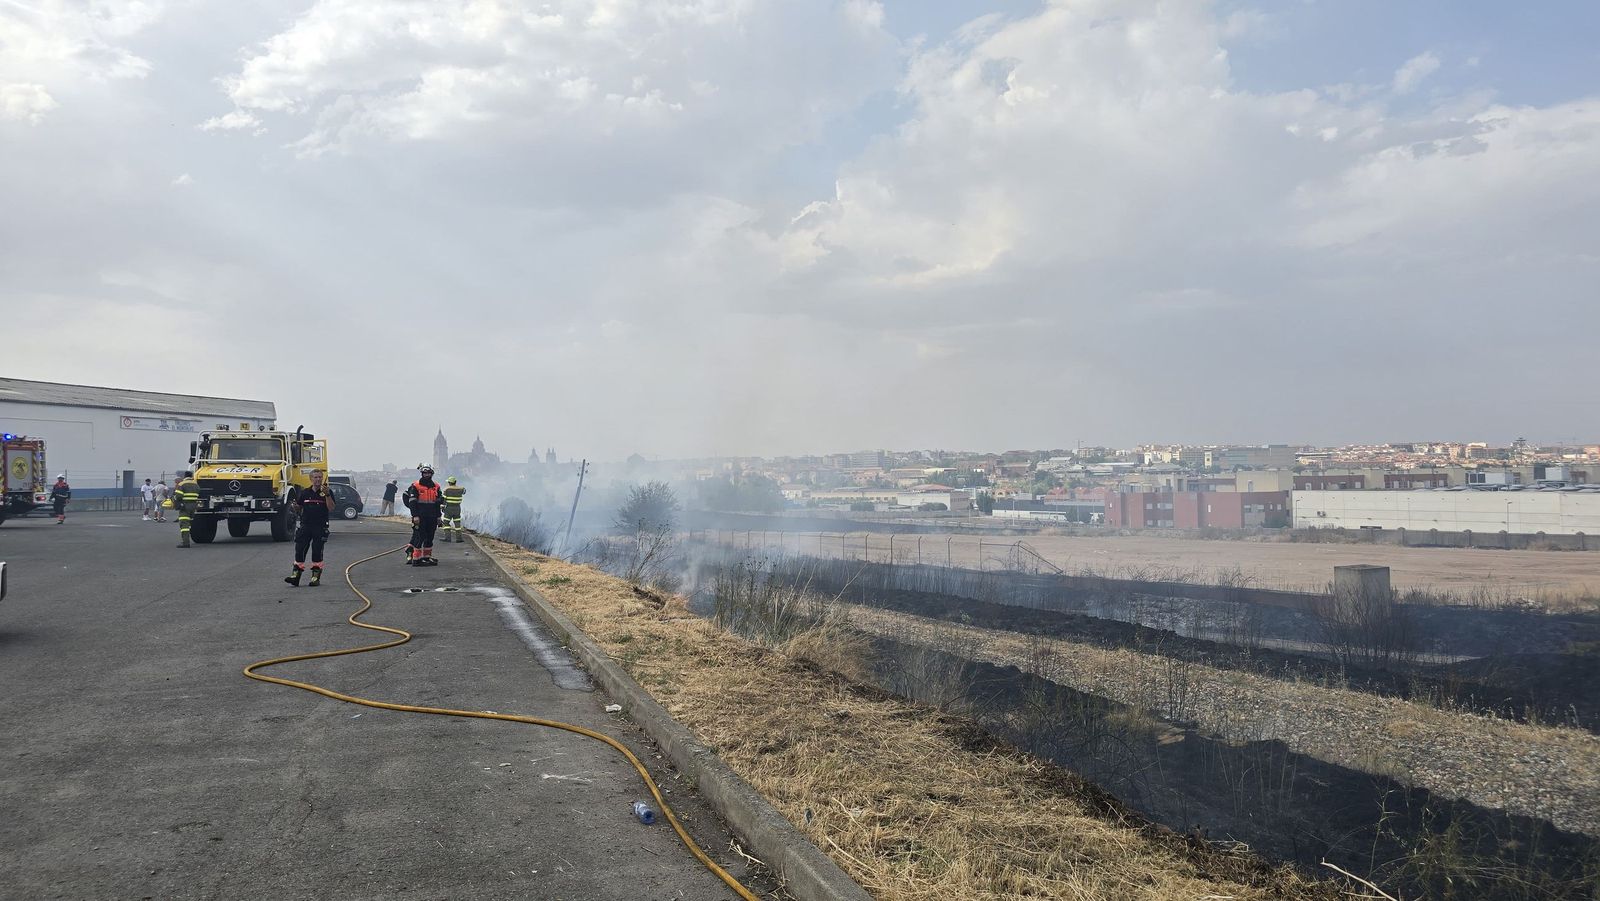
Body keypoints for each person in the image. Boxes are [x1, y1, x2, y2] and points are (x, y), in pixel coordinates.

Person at [284, 469, 335, 588]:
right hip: (305, 525)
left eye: (320, 477)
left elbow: (331, 508)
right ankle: (295, 576)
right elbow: (300, 508)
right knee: (300, 549)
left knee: (317, 551)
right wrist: (295, 507)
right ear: (311, 479)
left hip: (320, 526)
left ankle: (315, 577)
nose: (318, 479)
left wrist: (327, 494)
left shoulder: (327, 492)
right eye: (315, 477)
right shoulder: (305, 492)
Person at [403, 465, 443, 566]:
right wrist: (415, 516)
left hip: (432, 517)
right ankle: (416, 559)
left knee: (430, 537)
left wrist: (439, 517)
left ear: (431, 474)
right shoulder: (416, 486)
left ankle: (426, 557)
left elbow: (438, 503)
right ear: (422, 474)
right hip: (420, 517)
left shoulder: (436, 486)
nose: (427, 475)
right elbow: (412, 502)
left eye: (429, 473)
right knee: (420, 537)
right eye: (425, 473)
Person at [175, 470, 200, 548]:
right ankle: (187, 539)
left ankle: (185, 542)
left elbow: (178, 496)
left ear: (185, 476)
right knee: (189, 524)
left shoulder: (182, 484)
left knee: (184, 525)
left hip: (185, 506)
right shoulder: (196, 484)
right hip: (193, 506)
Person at [440, 476, 466, 543]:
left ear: (449, 482)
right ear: (455, 482)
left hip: (449, 508)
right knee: (457, 523)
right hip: (457, 508)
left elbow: (444, 500)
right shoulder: (461, 489)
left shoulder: (446, 489)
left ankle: (448, 538)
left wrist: (442, 507)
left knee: (446, 523)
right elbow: (464, 491)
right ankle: (459, 538)